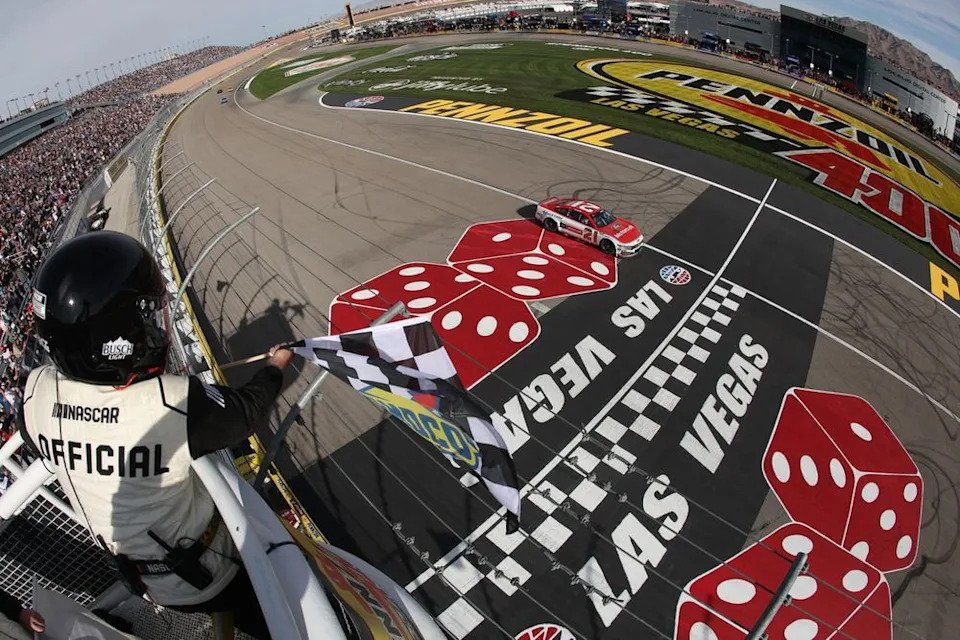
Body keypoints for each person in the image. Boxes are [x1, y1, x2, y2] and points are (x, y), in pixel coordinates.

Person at [16, 231, 292, 638]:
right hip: (210, 573)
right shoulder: (170, 403)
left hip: (142, 581)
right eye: (143, 317)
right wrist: (276, 365)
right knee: (280, 607)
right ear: (114, 339)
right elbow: (245, 413)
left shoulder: (35, 394)